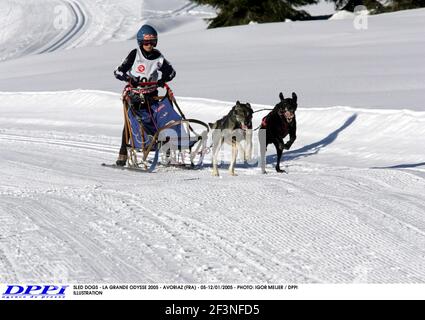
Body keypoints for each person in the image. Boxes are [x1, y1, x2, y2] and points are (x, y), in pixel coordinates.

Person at [113, 24, 176, 166]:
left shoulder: (159, 57)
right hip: (134, 96)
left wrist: (162, 80)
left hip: (152, 96)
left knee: (161, 122)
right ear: (140, 42)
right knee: (131, 121)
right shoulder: (135, 54)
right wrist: (130, 80)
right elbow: (118, 72)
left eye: (152, 42)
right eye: (146, 42)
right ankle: (123, 151)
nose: (149, 45)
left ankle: (166, 153)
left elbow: (171, 72)